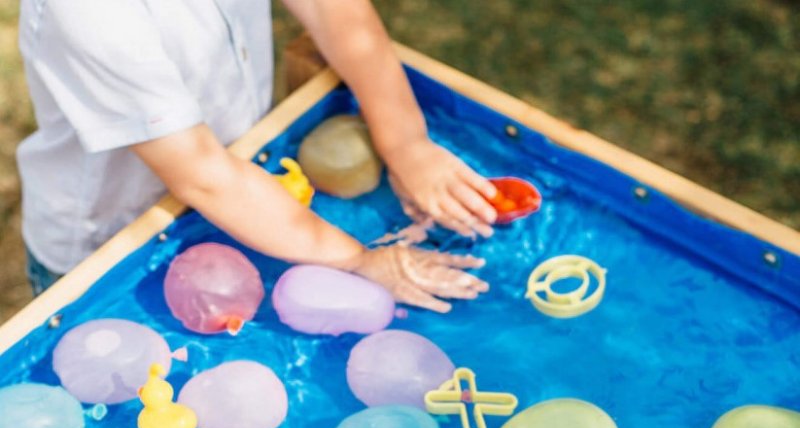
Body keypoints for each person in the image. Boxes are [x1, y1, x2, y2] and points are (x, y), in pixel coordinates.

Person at [17, 0, 499, 311]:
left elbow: (335, 13)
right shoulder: (89, 12)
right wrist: (360, 261)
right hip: (114, 240)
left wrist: (406, 142)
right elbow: (202, 174)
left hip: (241, 181)